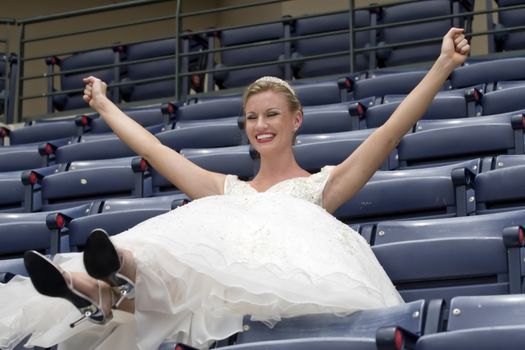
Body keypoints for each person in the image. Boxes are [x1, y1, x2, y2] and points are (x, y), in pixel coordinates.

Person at [0, 28, 470, 350]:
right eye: (251, 117)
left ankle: (113, 279)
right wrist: (103, 104)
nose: (260, 125)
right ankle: (103, 283)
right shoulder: (227, 190)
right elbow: (156, 151)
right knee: (190, 231)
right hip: (210, 290)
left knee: (193, 244)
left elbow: (388, 132)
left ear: (295, 120)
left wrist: (443, 65)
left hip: (280, 286)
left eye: (271, 115)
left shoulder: (321, 186)